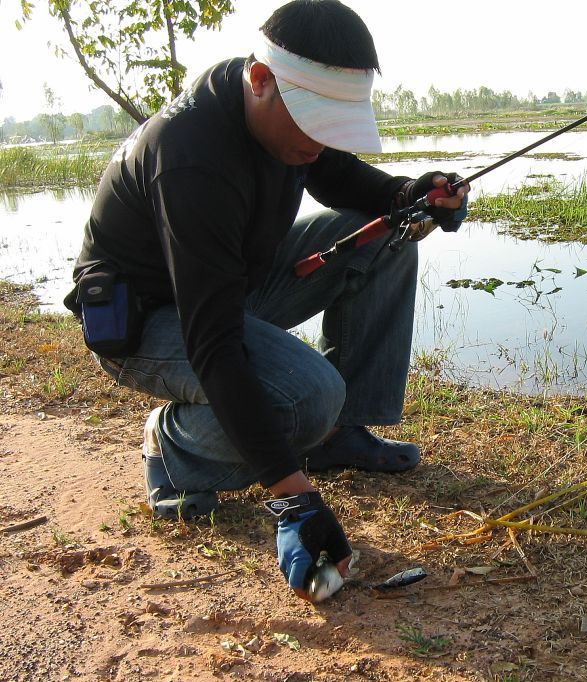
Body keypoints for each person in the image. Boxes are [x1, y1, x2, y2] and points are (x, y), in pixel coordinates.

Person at [63, 0, 468, 601]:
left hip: (231, 281)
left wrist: (411, 195)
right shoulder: (191, 158)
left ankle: (339, 434)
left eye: (335, 125)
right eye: (313, 123)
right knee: (309, 395)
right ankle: (175, 449)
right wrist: (292, 498)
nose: (321, 140)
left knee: (389, 236)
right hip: (150, 320)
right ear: (261, 82)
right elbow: (213, 343)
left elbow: (336, 175)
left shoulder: (277, 112)